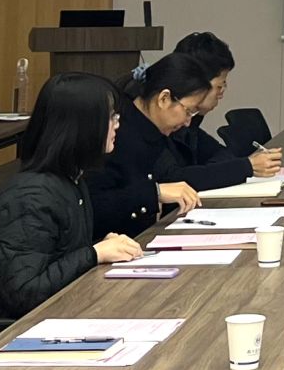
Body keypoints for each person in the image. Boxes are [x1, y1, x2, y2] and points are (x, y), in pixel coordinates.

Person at [0, 72, 143, 319]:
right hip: (8, 331)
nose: (117, 124)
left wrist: (101, 248)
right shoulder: (29, 198)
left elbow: (58, 258)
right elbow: (25, 293)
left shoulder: (69, 180)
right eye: (111, 117)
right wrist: (94, 254)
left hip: (56, 316)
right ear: (83, 125)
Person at [86, 54, 219, 239]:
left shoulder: (153, 131)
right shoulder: (116, 135)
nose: (188, 122)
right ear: (164, 98)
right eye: (188, 111)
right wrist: (155, 193)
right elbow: (93, 206)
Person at [166, 33, 282, 180]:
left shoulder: (191, 123)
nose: (221, 94)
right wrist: (245, 167)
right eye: (220, 86)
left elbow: (222, 154)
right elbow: (173, 178)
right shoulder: (165, 125)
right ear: (196, 83)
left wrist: (210, 172)